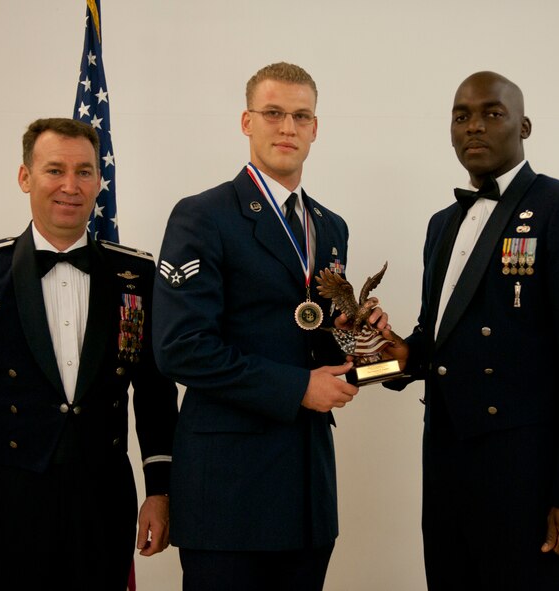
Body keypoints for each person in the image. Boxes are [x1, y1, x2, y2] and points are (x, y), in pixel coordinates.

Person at [152, 62, 390, 591]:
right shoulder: (203, 215)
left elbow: (312, 334)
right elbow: (180, 348)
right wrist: (298, 387)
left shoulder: (330, 226)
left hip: (307, 491)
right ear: (246, 121)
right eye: (274, 113)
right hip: (227, 493)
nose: (288, 128)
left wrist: (361, 333)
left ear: (315, 128)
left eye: (300, 116)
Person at [383, 71, 559, 589]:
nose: (475, 127)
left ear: (524, 126)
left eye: (493, 113)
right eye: (462, 116)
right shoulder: (441, 223)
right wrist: (393, 356)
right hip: (447, 466)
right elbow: (437, 338)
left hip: (526, 476)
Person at [0, 118, 178, 590]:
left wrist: (160, 491)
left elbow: (155, 392)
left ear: (100, 181)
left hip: (103, 498)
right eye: (54, 170)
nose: (70, 185)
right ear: (25, 178)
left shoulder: (135, 275)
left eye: (84, 172)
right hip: (6, 499)